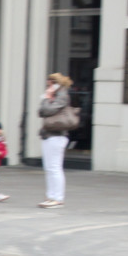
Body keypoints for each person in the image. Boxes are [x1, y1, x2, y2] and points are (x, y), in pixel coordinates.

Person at [37, 72, 74, 208]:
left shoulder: (62, 95)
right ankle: (50, 196)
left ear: (55, 83)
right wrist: (48, 98)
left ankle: (58, 198)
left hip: (57, 135)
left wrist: (47, 98)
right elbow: (41, 111)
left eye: (49, 83)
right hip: (48, 135)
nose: (48, 85)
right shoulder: (53, 96)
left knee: (55, 167)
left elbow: (48, 111)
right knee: (49, 168)